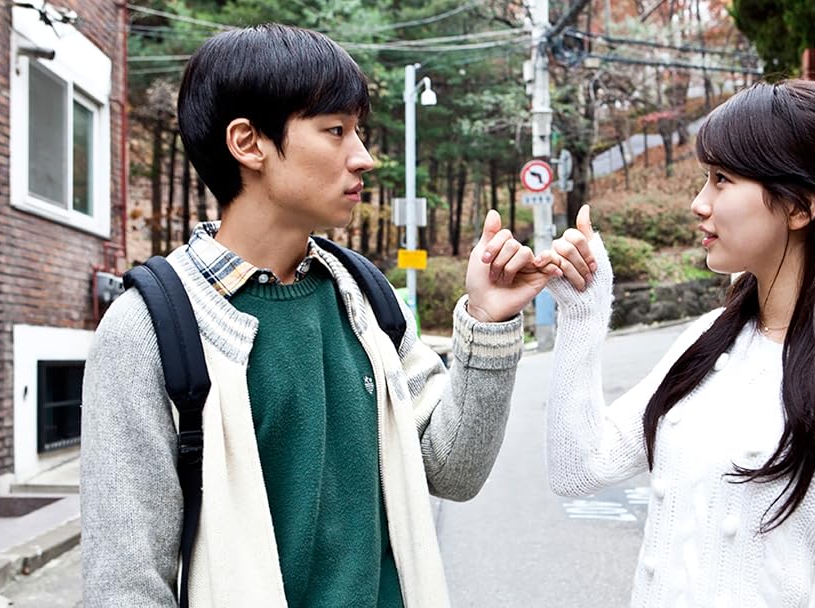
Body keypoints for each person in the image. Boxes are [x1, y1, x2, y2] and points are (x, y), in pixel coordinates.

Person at [81, 24, 556, 608]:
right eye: (336, 131)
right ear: (248, 143)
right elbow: (125, 585)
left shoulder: (365, 299)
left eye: (358, 131)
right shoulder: (148, 329)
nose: (365, 158)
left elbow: (453, 471)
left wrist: (487, 320)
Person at [541, 79, 815, 606]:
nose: (698, 203)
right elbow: (579, 467)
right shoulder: (711, 336)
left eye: (722, 180)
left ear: (800, 207)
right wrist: (582, 311)